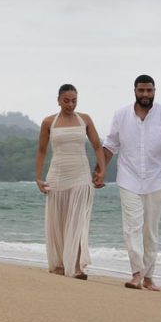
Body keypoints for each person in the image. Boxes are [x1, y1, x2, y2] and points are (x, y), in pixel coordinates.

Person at [94, 74, 161, 291]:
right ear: (134, 91)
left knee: (150, 230)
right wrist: (100, 170)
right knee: (132, 227)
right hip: (128, 178)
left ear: (154, 91)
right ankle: (136, 274)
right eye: (141, 90)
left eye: (149, 90)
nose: (145, 94)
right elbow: (110, 145)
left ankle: (149, 277)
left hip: (156, 179)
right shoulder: (121, 115)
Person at [35, 84, 106, 279]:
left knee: (78, 222)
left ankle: (76, 267)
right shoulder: (49, 122)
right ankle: (59, 263)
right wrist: (38, 177)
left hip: (81, 175)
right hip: (57, 176)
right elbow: (41, 150)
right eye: (66, 101)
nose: (70, 104)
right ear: (58, 100)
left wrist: (102, 170)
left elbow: (97, 146)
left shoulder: (85, 119)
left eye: (74, 101)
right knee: (58, 221)